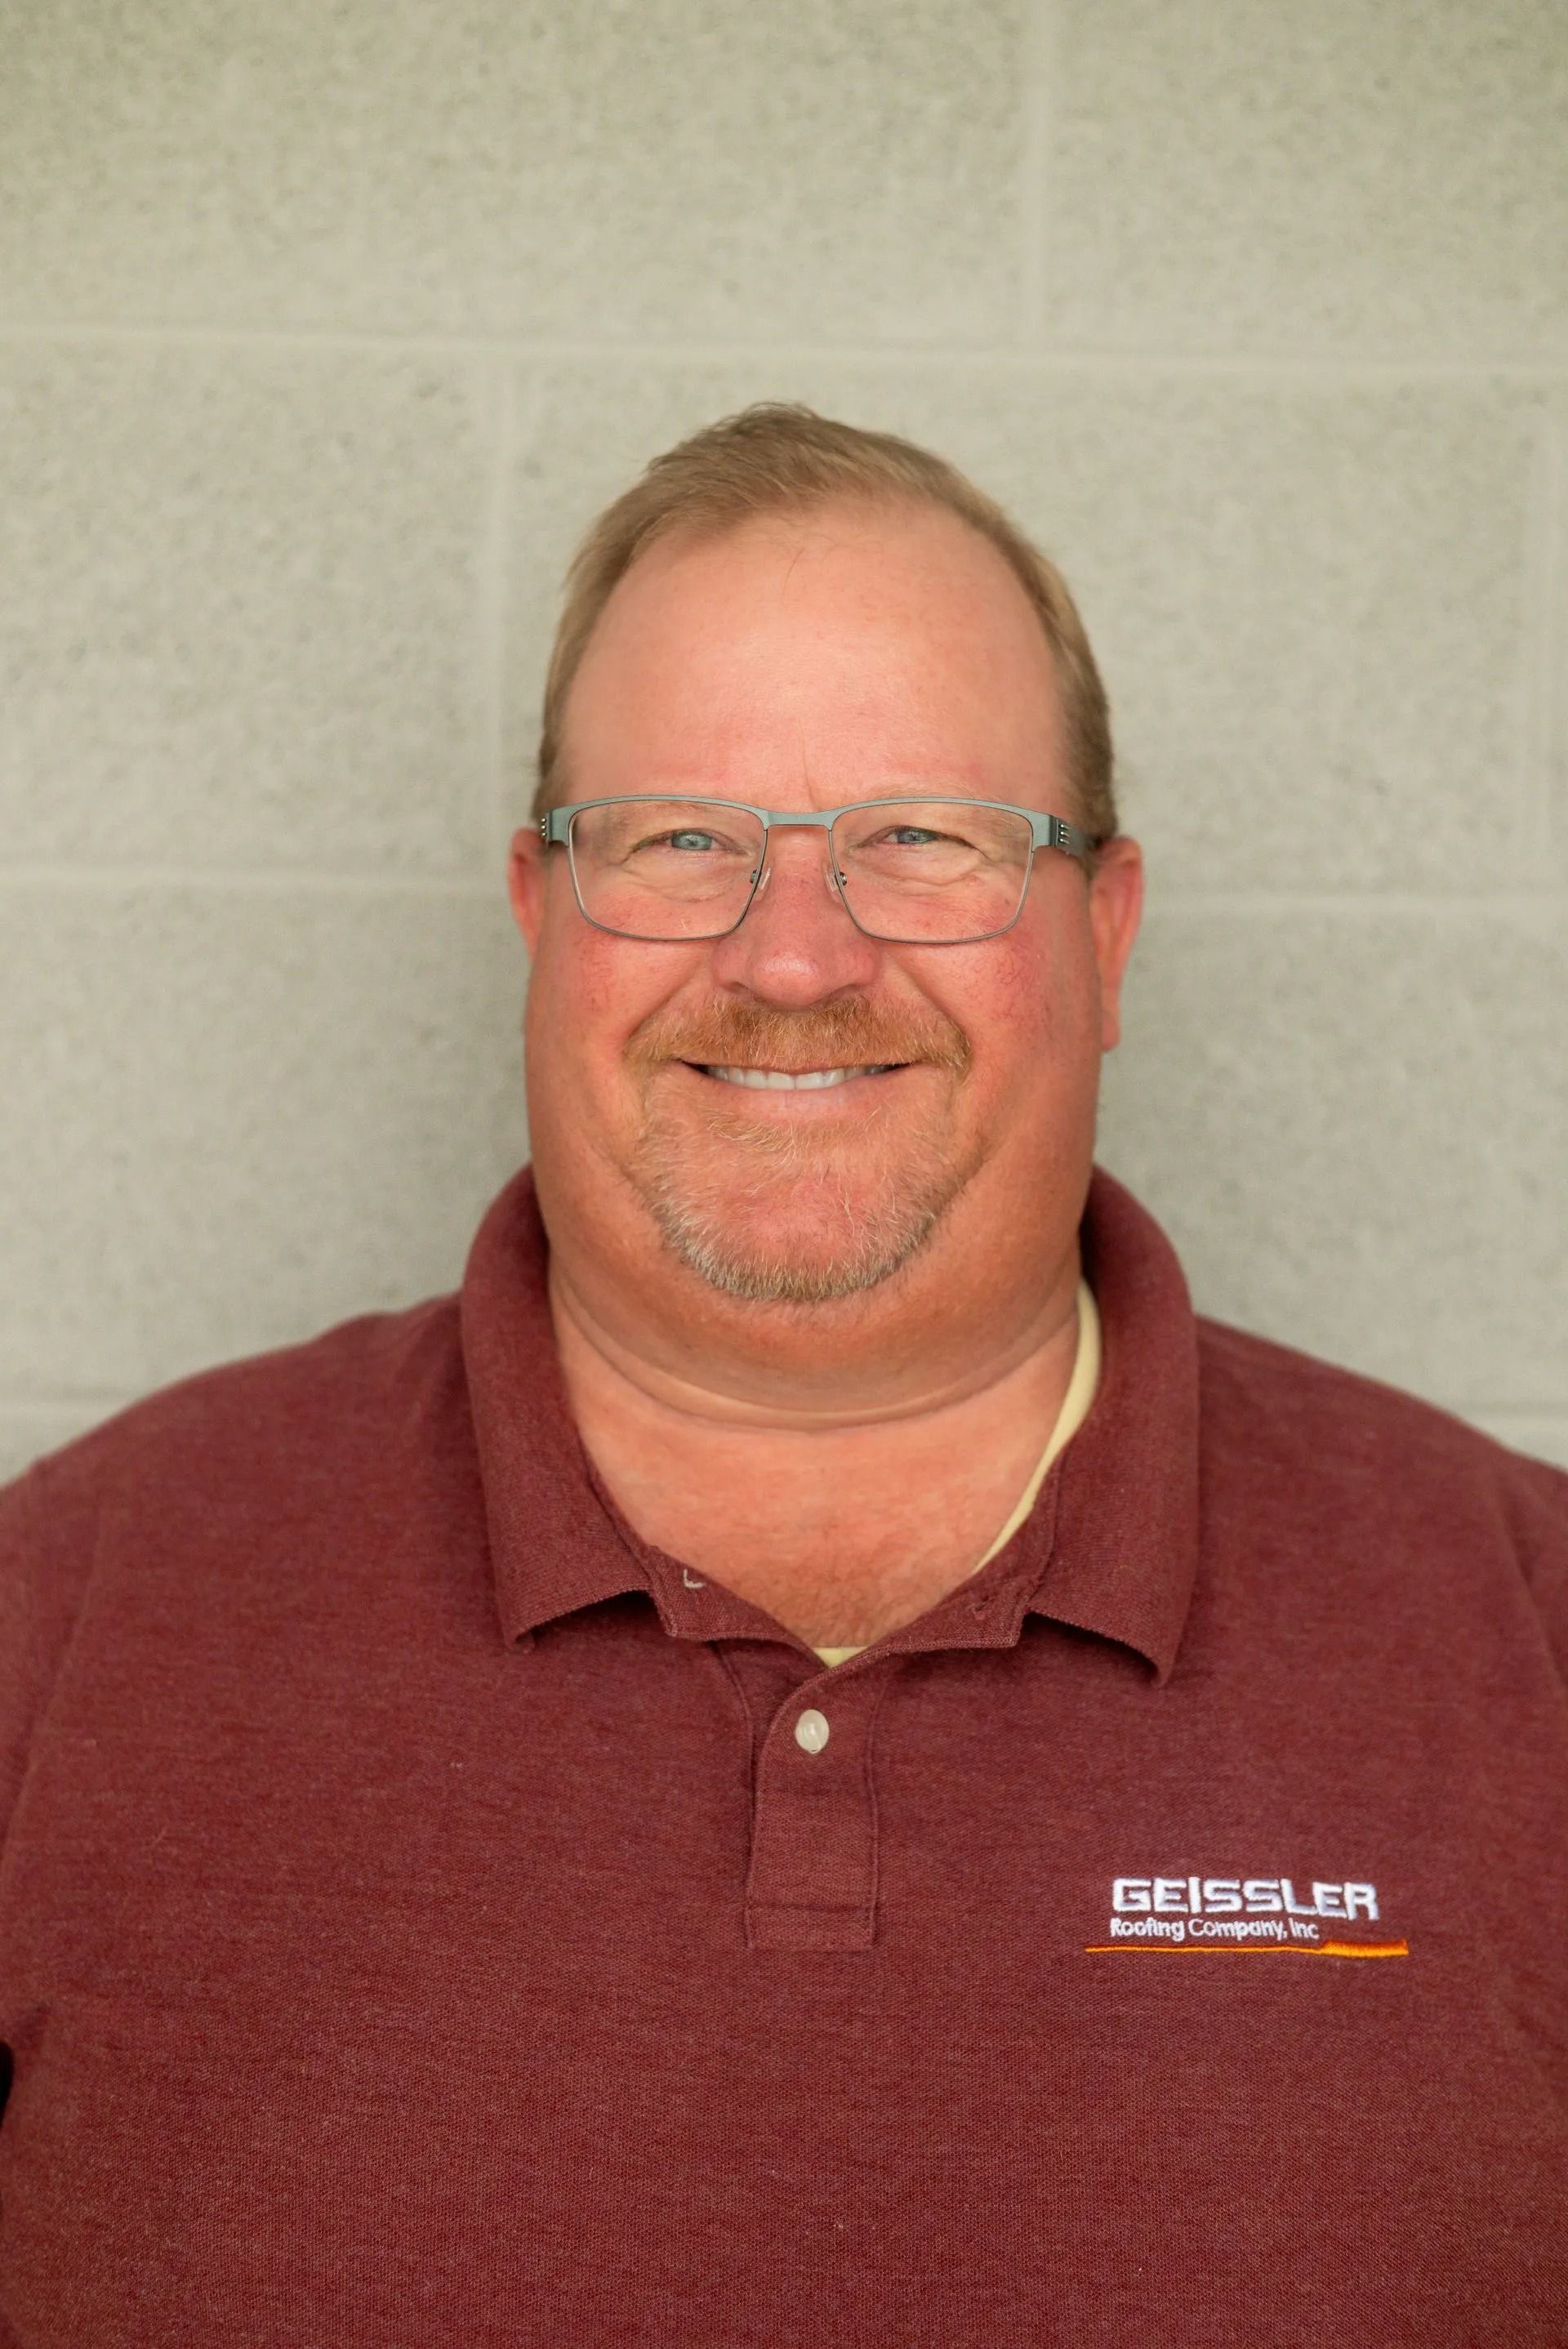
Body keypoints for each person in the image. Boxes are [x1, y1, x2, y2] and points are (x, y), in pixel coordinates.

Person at [1, 403, 1563, 2347]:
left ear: (1107, 930)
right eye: (678, 841)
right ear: (536, 916)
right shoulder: (60, 1614)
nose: (798, 957)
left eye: (923, 839)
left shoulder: (1528, 1628)